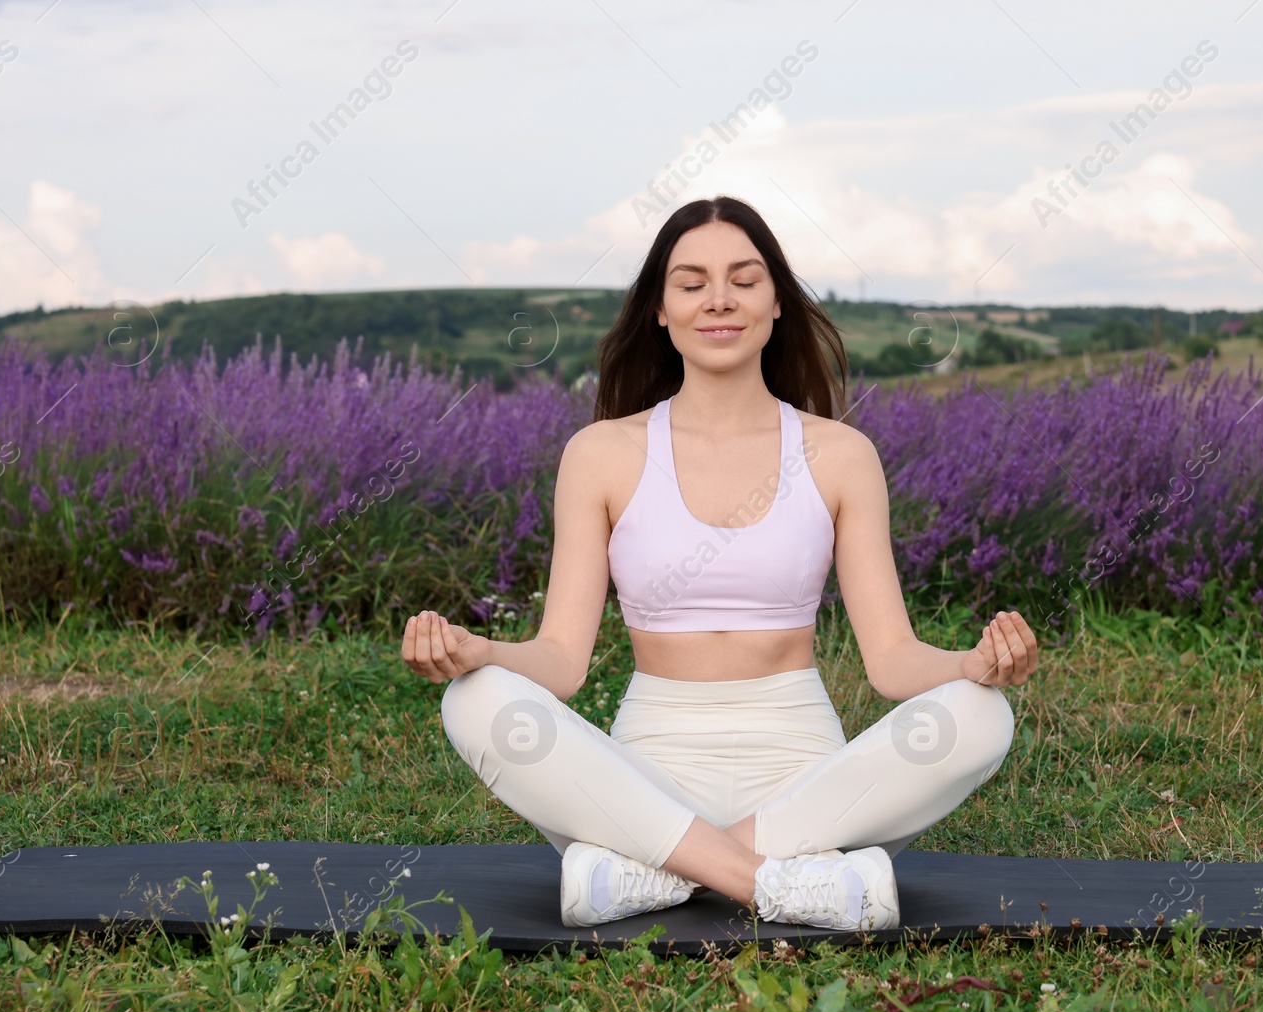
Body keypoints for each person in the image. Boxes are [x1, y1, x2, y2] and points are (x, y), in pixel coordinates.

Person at [402, 195, 1040, 932]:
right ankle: (783, 883)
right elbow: (560, 661)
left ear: (776, 305)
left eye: (744, 278)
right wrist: (481, 652)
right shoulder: (601, 453)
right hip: (647, 778)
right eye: (692, 282)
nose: (719, 300)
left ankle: (658, 873)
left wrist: (977, 665)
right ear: (661, 311)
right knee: (474, 700)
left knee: (981, 717)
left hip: (802, 780)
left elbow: (893, 663)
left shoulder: (841, 455)